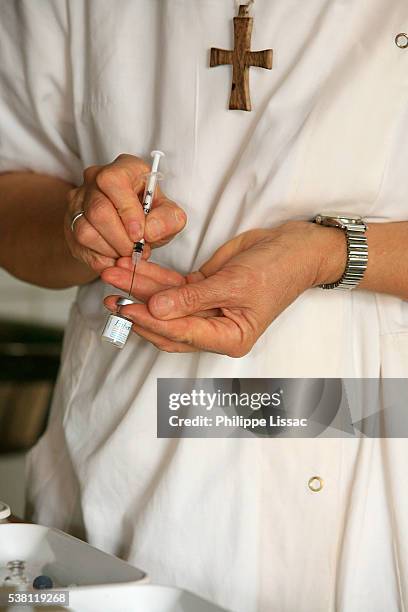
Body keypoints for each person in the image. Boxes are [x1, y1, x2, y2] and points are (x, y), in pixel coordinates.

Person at [1, 1, 408, 610]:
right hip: (128, 419)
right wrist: (78, 226)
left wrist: (330, 255)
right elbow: (11, 192)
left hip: (368, 406)